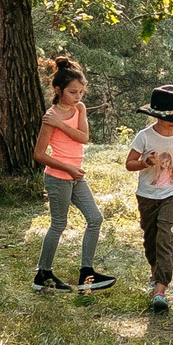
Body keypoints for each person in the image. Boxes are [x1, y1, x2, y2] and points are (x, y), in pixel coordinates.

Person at [34, 56, 116, 292]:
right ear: (58, 91)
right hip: (58, 177)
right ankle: (43, 275)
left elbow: (83, 137)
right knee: (59, 224)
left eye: (81, 92)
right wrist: (67, 168)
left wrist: (62, 125)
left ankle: (86, 274)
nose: (78, 97)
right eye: (72, 92)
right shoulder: (50, 116)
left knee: (95, 218)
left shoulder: (78, 109)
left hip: (76, 175)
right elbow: (39, 154)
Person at [125, 84, 173, 313]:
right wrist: (146, 163)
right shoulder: (144, 137)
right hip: (147, 195)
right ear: (156, 116)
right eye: (171, 117)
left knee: (166, 238)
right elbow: (129, 164)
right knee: (151, 239)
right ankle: (155, 270)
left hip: (172, 194)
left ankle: (160, 290)